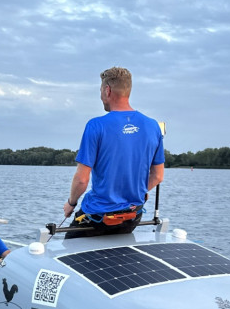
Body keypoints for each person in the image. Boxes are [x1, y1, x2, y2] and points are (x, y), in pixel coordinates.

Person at [63, 66, 165, 238]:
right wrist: (140, 191)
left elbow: (82, 179)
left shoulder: (96, 126)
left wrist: (71, 203)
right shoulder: (153, 125)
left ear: (107, 90)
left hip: (99, 217)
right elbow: (157, 176)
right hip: (133, 215)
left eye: (101, 90)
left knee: (68, 251)